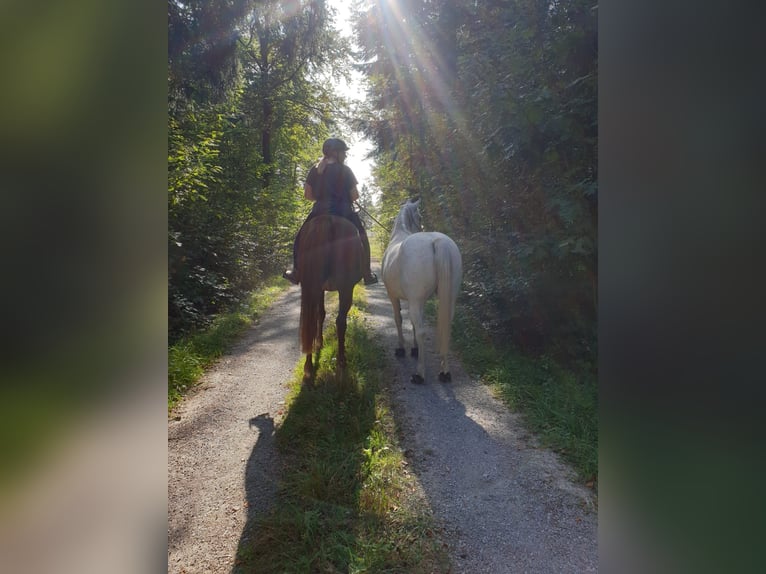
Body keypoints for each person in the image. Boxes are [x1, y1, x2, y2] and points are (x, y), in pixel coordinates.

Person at [283, 137, 378, 286]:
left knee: (299, 238)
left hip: (319, 212)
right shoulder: (346, 170)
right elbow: (355, 196)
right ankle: (367, 273)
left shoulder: (315, 169)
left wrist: (322, 198)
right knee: (362, 237)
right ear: (335, 153)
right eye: (343, 152)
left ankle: (296, 272)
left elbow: (308, 195)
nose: (345, 155)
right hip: (344, 212)